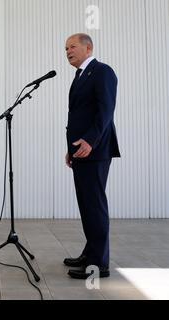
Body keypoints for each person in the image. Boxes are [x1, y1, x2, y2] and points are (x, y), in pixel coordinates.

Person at [63, 33, 120, 279]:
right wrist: (71, 148)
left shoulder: (102, 71)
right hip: (81, 149)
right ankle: (90, 252)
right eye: (65, 48)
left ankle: (99, 264)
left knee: (94, 205)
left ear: (88, 47)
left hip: (94, 149)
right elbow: (79, 114)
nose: (67, 51)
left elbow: (106, 110)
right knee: (86, 205)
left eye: (72, 46)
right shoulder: (80, 75)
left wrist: (90, 140)